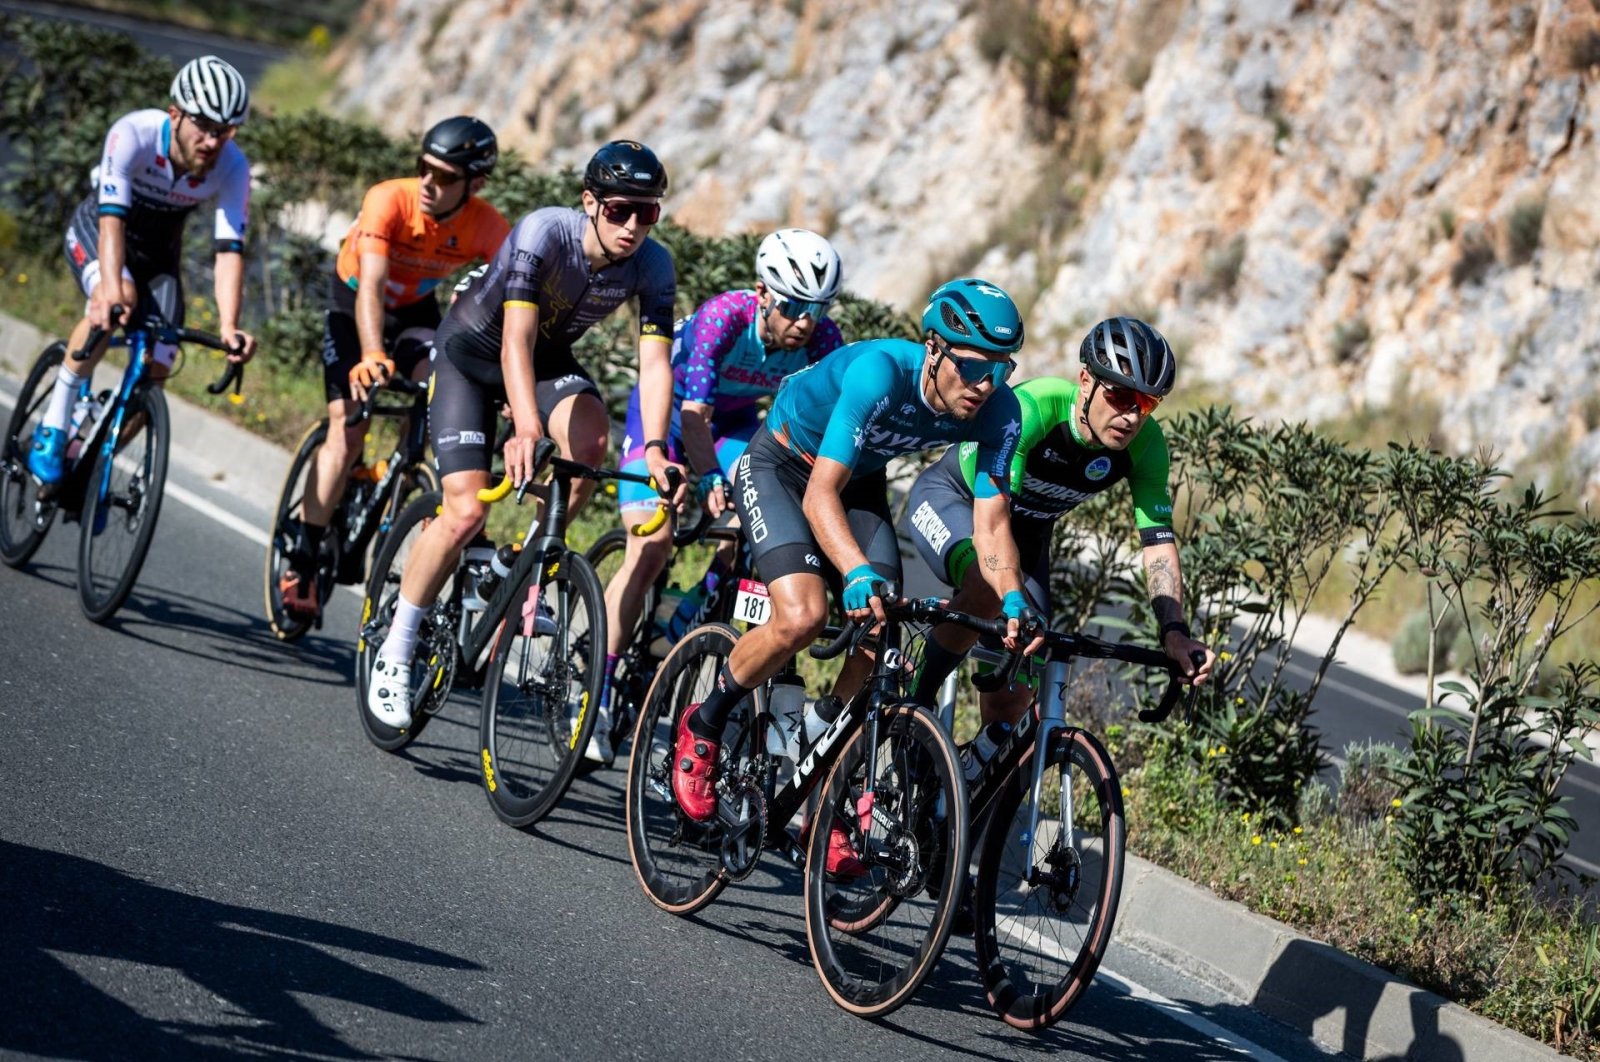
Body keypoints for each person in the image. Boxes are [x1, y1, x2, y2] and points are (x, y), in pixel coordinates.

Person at [669, 277, 1043, 875]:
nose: (984, 385)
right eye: (973, 366)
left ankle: (823, 781)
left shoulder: (998, 411)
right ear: (934, 347)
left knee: (881, 637)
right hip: (782, 464)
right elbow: (819, 495)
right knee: (805, 615)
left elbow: (993, 525)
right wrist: (856, 571)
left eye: (1001, 369)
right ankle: (706, 719)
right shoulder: (880, 374)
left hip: (855, 478)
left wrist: (1015, 600)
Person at [365, 140, 679, 729]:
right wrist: (525, 425)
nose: (634, 225)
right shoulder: (544, 233)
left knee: (588, 447)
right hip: (470, 352)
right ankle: (397, 647)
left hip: (544, 358)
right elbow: (514, 340)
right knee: (462, 513)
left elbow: (656, 365)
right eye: (618, 210)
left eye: (648, 212)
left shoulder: (654, 265)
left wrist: (658, 450)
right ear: (589, 203)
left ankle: (522, 566)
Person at [903, 316, 1216, 776]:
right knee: (987, 589)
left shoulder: (1147, 446)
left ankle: (955, 795)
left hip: (1026, 537)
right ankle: (912, 711)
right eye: (1120, 395)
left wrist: (1174, 630)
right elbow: (992, 525)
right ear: (1085, 380)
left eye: (1146, 403)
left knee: (1017, 692)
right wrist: (1009, 597)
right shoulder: (1034, 408)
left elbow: (1158, 545)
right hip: (955, 500)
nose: (1131, 414)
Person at [590, 228, 845, 764]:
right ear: (762, 293)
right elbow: (691, 416)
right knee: (653, 544)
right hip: (671, 417)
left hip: (732, 425)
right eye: (793, 306)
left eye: (816, 309)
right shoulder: (724, 318)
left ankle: (688, 615)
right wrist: (706, 479)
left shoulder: (824, 341)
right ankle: (599, 685)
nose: (804, 321)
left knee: (750, 532)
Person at [278, 116, 511, 617]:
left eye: (445, 177)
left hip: (416, 314)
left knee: (442, 381)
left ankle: (406, 470)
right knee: (349, 428)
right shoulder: (389, 198)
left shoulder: (488, 227)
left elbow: (511, 305)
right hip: (355, 304)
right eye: (424, 168)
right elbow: (372, 286)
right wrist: (370, 353)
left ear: (475, 185)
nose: (430, 183)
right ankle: (304, 553)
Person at [28, 55, 258, 484]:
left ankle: (93, 465)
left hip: (157, 258)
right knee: (120, 301)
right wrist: (111, 289)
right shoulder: (133, 133)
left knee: (160, 364)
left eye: (224, 132)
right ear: (175, 114)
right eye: (204, 126)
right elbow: (112, 219)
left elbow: (228, 250)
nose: (212, 141)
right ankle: (54, 425)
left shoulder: (233, 167)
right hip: (99, 230)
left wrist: (229, 326)